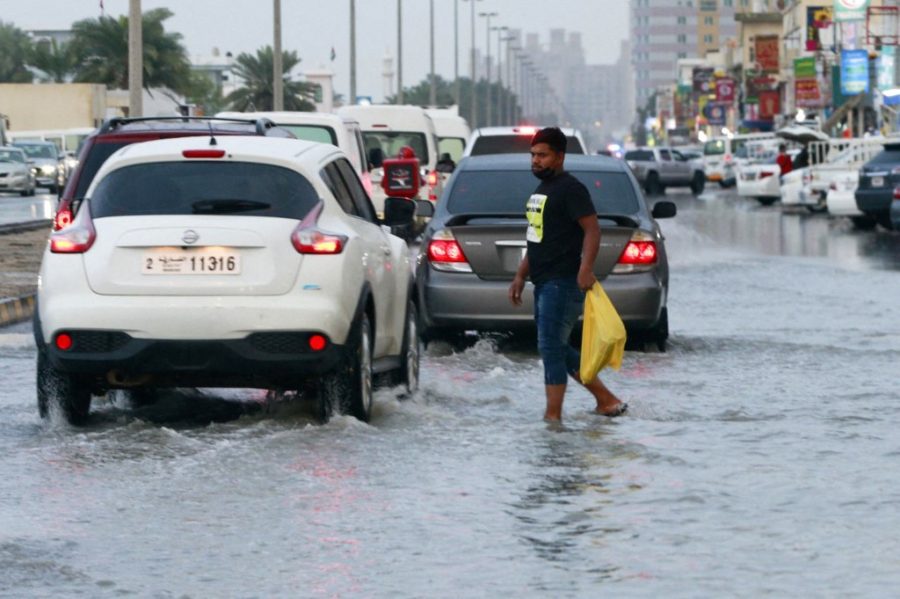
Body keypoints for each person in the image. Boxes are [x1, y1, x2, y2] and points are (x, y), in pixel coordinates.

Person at [508, 127, 627, 422]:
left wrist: (585, 269)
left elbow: (592, 230)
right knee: (555, 346)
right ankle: (606, 400)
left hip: (563, 282)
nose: (536, 161)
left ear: (560, 157)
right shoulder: (541, 191)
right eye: (533, 155)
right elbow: (536, 238)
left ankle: (553, 418)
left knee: (550, 347)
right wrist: (521, 275)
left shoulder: (571, 189)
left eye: (543, 155)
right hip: (543, 280)